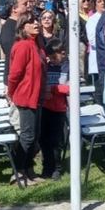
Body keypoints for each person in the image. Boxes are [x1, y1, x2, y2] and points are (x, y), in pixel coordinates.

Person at [7, 12, 47, 186]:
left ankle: (29, 170)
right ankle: (18, 172)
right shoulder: (23, 45)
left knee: (35, 135)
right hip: (25, 96)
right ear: (23, 27)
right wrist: (11, 92)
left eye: (36, 20)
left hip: (37, 96)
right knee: (27, 136)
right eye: (31, 21)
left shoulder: (36, 44)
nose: (36, 23)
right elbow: (14, 73)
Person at [39, 38, 69, 180]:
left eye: (54, 56)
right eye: (49, 57)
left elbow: (70, 87)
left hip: (59, 109)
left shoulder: (67, 67)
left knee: (55, 141)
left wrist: (52, 89)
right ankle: (46, 166)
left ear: (62, 53)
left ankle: (57, 167)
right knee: (44, 139)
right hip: (45, 107)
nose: (51, 60)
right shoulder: (46, 66)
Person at [0, 0, 28, 84]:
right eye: (24, 4)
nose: (28, 6)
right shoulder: (9, 29)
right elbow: (13, 55)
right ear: (14, 9)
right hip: (17, 80)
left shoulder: (20, 25)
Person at [86, 0, 105, 83]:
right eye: (99, 1)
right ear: (95, 4)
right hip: (97, 61)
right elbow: (93, 41)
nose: (102, 3)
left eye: (104, 1)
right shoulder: (92, 20)